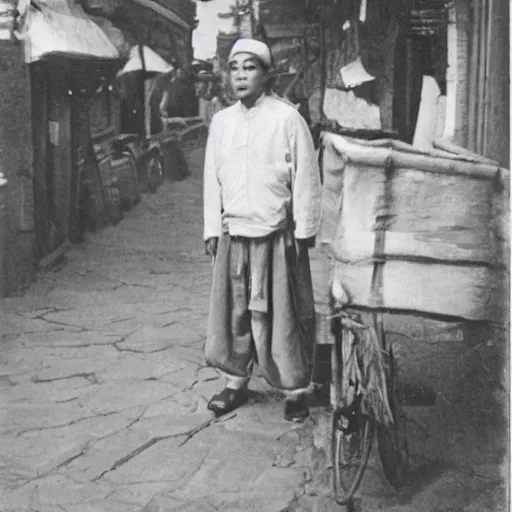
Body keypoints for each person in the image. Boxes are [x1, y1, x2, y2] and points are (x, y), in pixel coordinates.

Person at [203, 38, 322, 422]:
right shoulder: (222, 122)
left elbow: (306, 176)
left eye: (249, 67)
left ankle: (294, 389)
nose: (240, 75)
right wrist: (211, 227)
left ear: (266, 74)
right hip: (235, 233)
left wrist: (304, 229)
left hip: (277, 235)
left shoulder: (287, 118)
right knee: (235, 313)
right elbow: (211, 179)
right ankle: (235, 381)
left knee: (284, 315)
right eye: (235, 68)